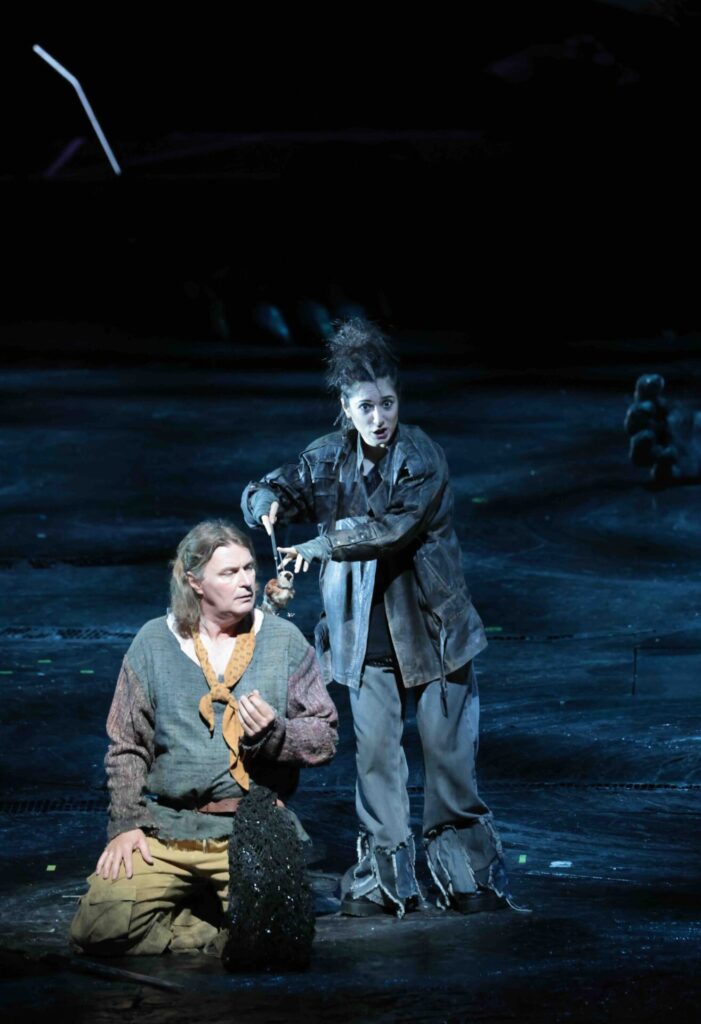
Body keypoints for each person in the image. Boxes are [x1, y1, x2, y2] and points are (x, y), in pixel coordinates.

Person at [241, 319, 517, 917]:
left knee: (448, 760)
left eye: (387, 403)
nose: (379, 417)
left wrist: (320, 545)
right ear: (346, 408)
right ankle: (387, 879)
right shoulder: (329, 457)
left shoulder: (421, 457)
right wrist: (265, 502)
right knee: (376, 761)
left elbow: (391, 528)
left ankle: (466, 874)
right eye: (365, 406)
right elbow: (279, 486)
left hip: (433, 633)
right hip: (362, 636)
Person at [70, 520, 338, 957]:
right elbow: (127, 744)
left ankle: (225, 917)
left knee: (273, 944)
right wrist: (126, 824)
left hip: (249, 827)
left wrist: (276, 733)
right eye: (229, 572)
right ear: (195, 582)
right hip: (168, 828)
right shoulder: (155, 642)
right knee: (98, 929)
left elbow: (324, 735)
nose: (247, 581)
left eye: (249, 568)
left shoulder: (282, 641)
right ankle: (205, 920)